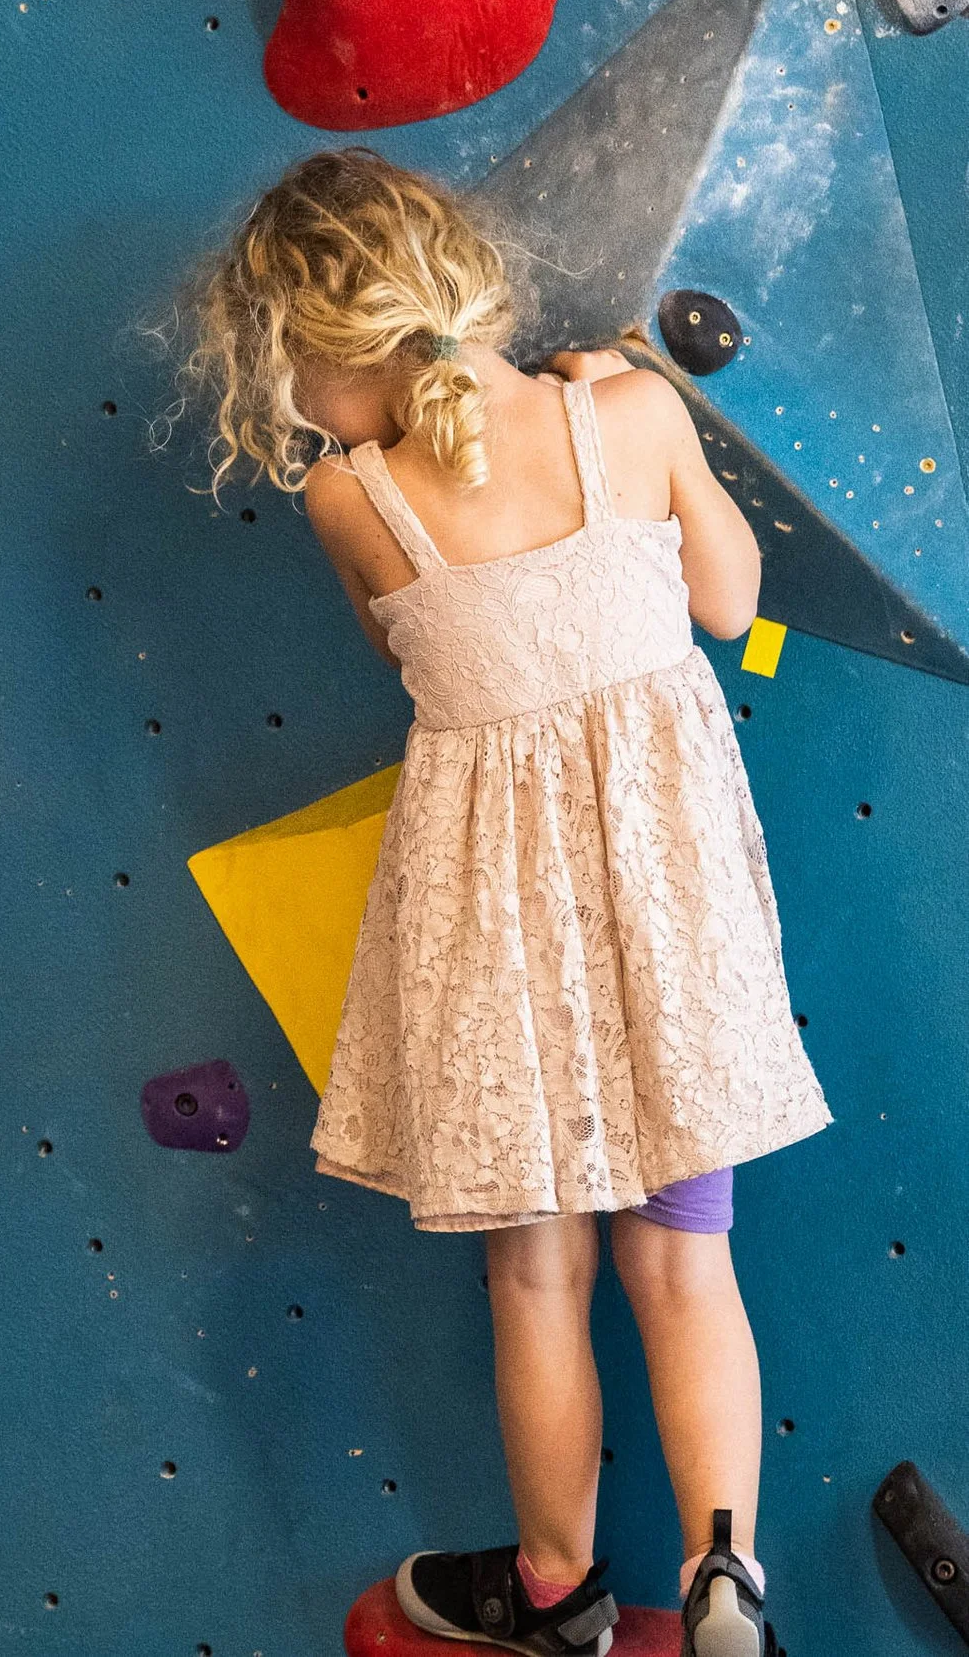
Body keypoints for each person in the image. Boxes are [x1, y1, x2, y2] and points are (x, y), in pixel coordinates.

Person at [189, 149, 825, 1656]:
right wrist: (624, 404)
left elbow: (414, 658)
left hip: (494, 929)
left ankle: (557, 1589)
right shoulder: (633, 411)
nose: (290, 406)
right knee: (687, 1261)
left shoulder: (354, 498)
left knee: (536, 1272)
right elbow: (731, 604)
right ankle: (725, 1575)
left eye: (287, 368)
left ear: (330, 343)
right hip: (673, 916)